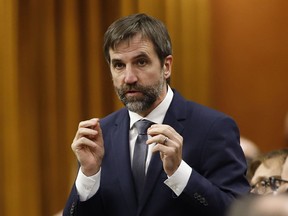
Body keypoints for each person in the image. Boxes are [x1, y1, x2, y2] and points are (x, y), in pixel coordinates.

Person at [63, 13, 250, 216]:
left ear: (166, 66)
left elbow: (238, 211)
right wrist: (88, 175)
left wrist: (179, 173)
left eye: (141, 62)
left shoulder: (213, 127)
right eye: (118, 65)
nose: (129, 77)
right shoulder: (101, 135)